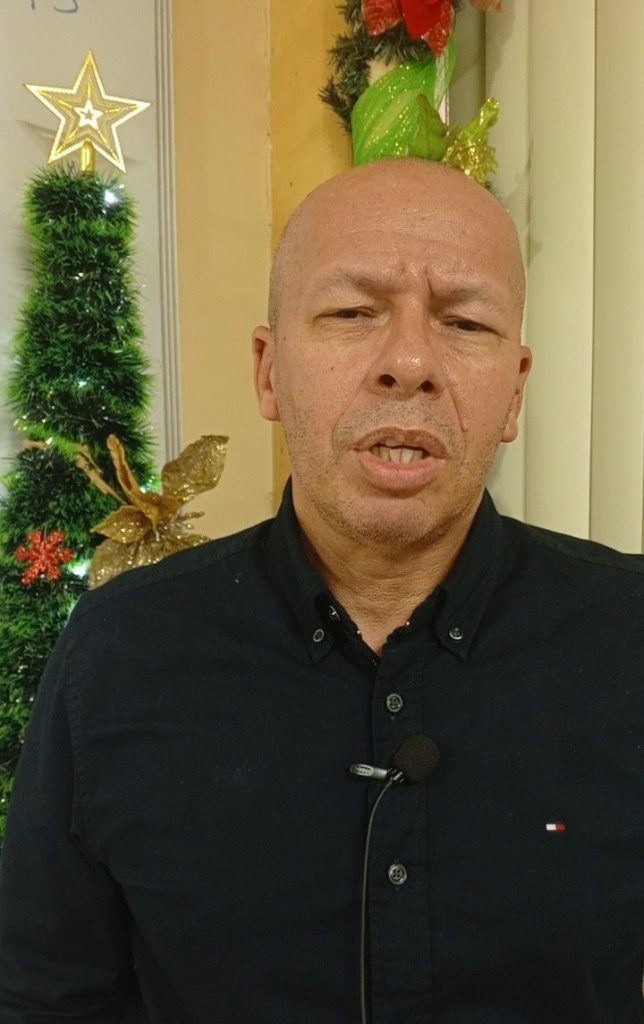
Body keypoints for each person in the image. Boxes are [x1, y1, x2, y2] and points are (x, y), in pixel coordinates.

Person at [0, 158, 642, 1024]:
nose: (409, 362)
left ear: (515, 391)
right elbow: (47, 995)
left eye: (463, 322)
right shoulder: (120, 651)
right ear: (269, 371)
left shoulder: (626, 639)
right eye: (352, 313)